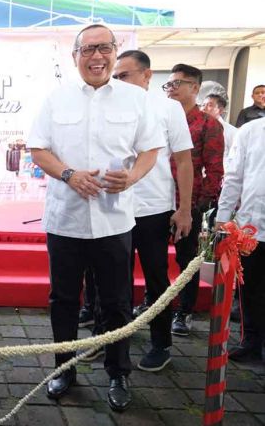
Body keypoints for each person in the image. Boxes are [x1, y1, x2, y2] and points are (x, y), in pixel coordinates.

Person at [28, 24, 164, 412]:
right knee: (64, 300)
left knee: (118, 301)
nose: (96, 56)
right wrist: (69, 174)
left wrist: (133, 177)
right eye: (87, 50)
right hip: (65, 219)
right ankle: (64, 368)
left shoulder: (135, 100)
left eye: (104, 48)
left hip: (114, 221)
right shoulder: (56, 100)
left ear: (114, 52)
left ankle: (118, 372)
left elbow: (150, 150)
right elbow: (39, 150)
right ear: (75, 57)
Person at [112, 50, 194, 371]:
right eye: (116, 76)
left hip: (154, 208)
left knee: (156, 276)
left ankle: (161, 342)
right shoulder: (108, 105)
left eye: (125, 75)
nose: (118, 81)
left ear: (147, 75)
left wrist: (184, 209)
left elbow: (184, 161)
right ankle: (112, 340)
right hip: (113, 208)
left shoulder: (168, 108)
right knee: (113, 280)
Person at [163, 64, 224, 337]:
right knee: (153, 257)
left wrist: (200, 205)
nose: (172, 89)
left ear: (195, 88)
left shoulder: (208, 124)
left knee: (187, 258)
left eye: (179, 84)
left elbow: (214, 168)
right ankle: (151, 305)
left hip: (187, 203)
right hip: (156, 199)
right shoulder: (159, 117)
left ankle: (184, 311)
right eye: (170, 84)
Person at [217, 117, 265, 363]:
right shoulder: (250, 130)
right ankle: (251, 342)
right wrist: (223, 218)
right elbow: (233, 177)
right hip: (252, 227)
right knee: (250, 289)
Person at [201, 93, 239, 164]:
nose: (203, 108)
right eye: (203, 105)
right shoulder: (196, 128)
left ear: (220, 110)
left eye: (209, 105)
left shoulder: (231, 131)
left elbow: (236, 158)